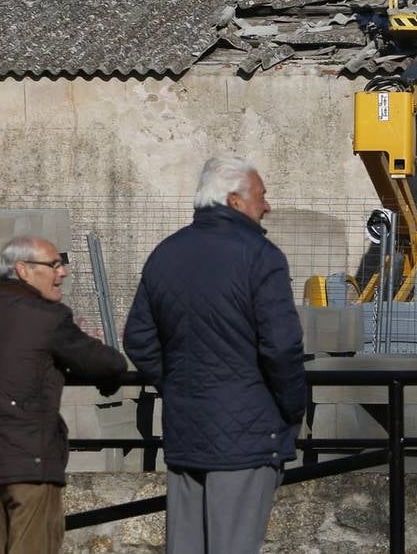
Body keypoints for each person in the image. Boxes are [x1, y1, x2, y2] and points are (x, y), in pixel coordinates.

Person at [124, 155, 308, 554]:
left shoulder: (165, 254)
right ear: (235, 201)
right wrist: (293, 406)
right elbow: (281, 346)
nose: (267, 206)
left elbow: (138, 339)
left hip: (186, 427)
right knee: (235, 544)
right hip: (248, 433)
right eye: (261, 195)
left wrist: (176, 384)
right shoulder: (261, 256)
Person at [0, 235, 127, 554]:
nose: (62, 272)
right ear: (23, 270)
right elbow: (107, 363)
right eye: (53, 264)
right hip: (29, 462)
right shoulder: (48, 318)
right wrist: (106, 378)